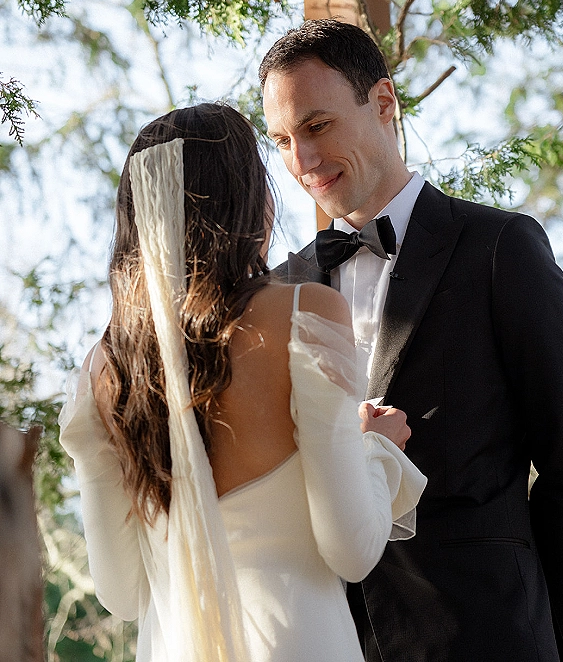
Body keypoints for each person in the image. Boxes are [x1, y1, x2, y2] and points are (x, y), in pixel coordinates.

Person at [260, 19, 563, 662]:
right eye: (283, 140)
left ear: (383, 103)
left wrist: (551, 632)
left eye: (317, 127)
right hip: (332, 642)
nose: (303, 162)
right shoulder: (276, 293)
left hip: (492, 637)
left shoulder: (499, 248)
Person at [58, 103, 426, 662]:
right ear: (248, 200)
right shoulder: (305, 311)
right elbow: (351, 550)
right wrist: (375, 449)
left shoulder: (105, 371)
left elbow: (122, 593)